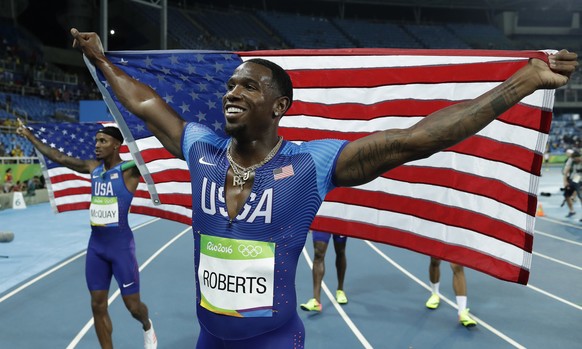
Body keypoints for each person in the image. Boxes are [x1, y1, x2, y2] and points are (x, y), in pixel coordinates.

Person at [70, 27, 577, 348]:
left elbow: (417, 140)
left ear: (279, 106)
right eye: (229, 86)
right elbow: (142, 102)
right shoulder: (201, 149)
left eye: (248, 85)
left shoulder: (311, 164)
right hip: (210, 340)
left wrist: (523, 82)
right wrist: (100, 59)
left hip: (274, 340)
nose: (231, 92)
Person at [16, 120, 158, 349]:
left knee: (133, 307)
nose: (97, 145)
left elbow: (154, 158)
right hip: (96, 247)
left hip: (121, 247)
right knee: (97, 305)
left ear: (116, 145)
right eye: (96, 141)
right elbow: (59, 157)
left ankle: (147, 325)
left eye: (103, 141)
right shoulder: (93, 168)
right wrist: (30, 137)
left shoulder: (131, 171)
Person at [300, 230, 348, 312]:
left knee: (340, 251)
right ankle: (316, 300)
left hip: (339, 219)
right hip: (322, 218)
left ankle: (340, 289)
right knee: (318, 253)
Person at [425, 257, 476, 327]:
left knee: (457, 267)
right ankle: (435, 294)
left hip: (456, 245)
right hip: (441, 245)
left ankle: (462, 312)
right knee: (435, 261)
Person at [562, 150, 582, 218]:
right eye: (575, 159)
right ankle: (572, 211)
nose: (577, 160)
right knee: (566, 195)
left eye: (578, 158)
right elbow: (566, 171)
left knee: (581, 196)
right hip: (574, 177)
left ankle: (575, 196)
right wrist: (565, 182)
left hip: (579, 178)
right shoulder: (571, 161)